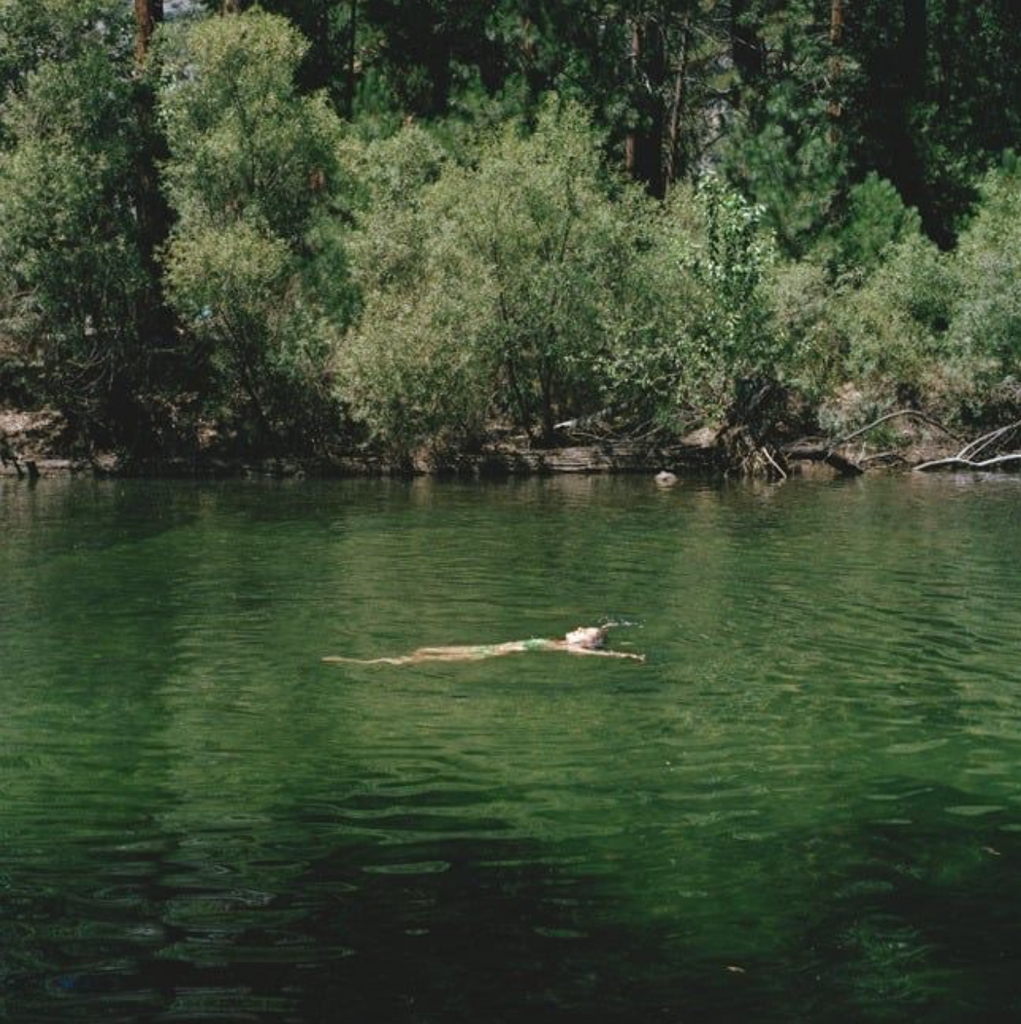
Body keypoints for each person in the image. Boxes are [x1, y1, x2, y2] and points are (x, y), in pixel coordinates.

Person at [323, 625, 644, 666]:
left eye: (582, 631)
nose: (575, 629)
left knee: (413, 660)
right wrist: (606, 628)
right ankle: (390, 660)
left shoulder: (569, 649)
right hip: (492, 644)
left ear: (585, 644)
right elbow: (600, 635)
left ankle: (369, 662)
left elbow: (601, 653)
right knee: (426, 649)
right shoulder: (560, 641)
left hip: (494, 652)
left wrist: (625, 654)